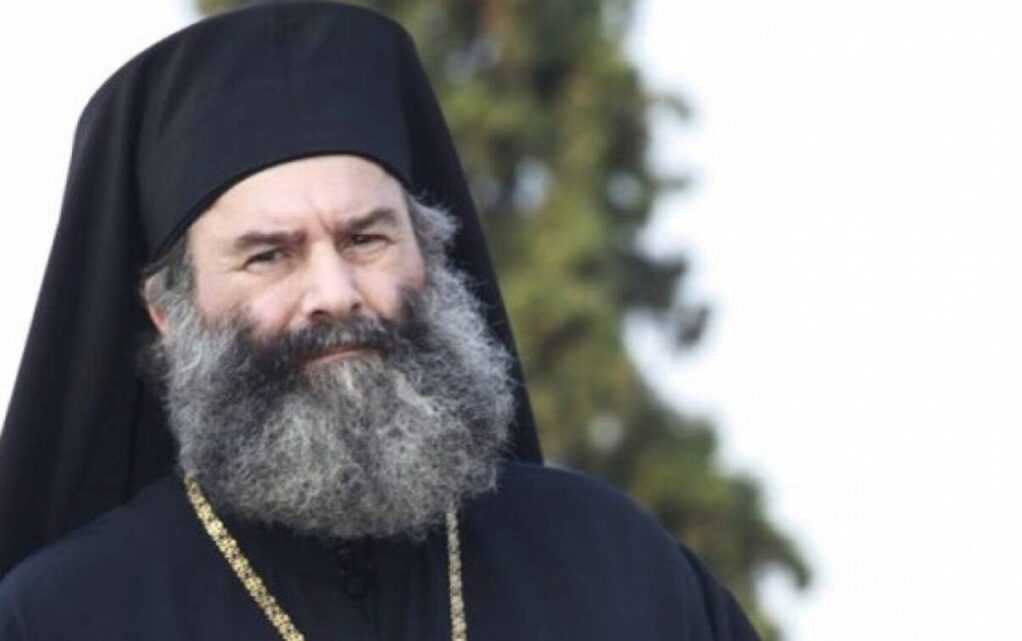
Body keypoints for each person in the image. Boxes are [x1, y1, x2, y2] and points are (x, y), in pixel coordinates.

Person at [0, 3, 760, 639]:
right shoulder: (63, 617)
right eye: (269, 255)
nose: (335, 293)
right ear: (169, 311)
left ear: (429, 256)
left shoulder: (616, 566)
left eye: (366, 239)